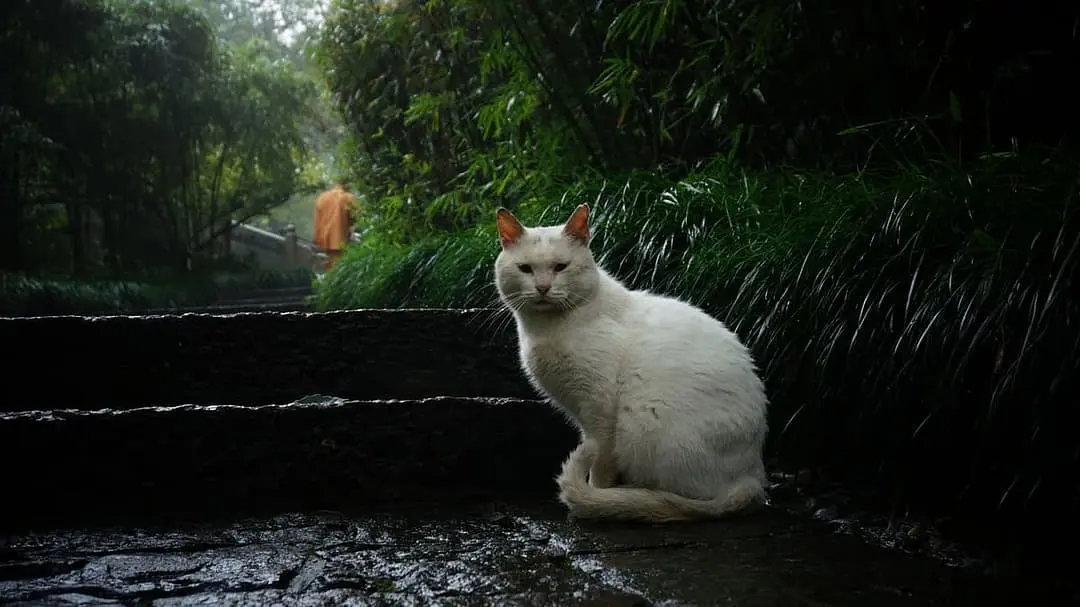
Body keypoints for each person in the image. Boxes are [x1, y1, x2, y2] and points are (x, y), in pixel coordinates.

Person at [313, 181, 357, 271]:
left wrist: (317, 239)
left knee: (331, 262)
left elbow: (317, 219)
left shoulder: (322, 197)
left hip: (325, 238)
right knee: (338, 264)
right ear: (346, 185)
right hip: (340, 237)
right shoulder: (348, 197)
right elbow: (355, 218)